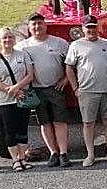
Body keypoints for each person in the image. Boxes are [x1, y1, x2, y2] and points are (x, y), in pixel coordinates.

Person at [65, 15, 107, 167]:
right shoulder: (76, 45)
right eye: (88, 27)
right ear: (83, 29)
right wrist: (75, 88)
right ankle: (90, 155)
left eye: (93, 27)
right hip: (87, 91)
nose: (91, 30)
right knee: (88, 123)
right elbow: (69, 67)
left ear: (97, 27)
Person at [18, 13, 72, 167]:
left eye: (40, 23)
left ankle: (63, 153)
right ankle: (53, 152)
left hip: (56, 88)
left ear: (45, 25)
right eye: (33, 24)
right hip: (36, 90)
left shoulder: (59, 43)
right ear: (29, 27)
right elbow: (7, 54)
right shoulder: (23, 46)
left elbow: (71, 64)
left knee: (60, 121)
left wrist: (66, 80)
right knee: (45, 122)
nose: (37, 27)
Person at [0, 27, 34, 171]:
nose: (7, 40)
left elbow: (30, 75)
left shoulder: (22, 54)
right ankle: (15, 160)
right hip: (6, 99)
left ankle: (22, 157)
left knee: (22, 128)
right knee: (9, 129)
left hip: (22, 97)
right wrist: (11, 90)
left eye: (10, 37)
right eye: (4, 38)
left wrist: (18, 87)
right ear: (0, 41)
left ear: (14, 39)